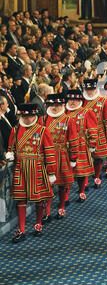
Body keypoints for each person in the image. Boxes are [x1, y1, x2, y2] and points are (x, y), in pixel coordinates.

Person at [6, 103, 57, 242]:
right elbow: (11, 147)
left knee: (39, 198)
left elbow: (50, 152)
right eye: (24, 116)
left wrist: (51, 172)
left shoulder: (42, 130)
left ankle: (38, 224)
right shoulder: (15, 130)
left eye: (30, 116)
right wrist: (10, 154)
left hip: (37, 167)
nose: (27, 118)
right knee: (20, 199)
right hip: (20, 167)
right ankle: (22, 229)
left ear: (35, 115)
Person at [40, 94, 79, 220]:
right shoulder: (42, 120)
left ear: (62, 105)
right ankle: (47, 211)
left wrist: (73, 157)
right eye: (52, 105)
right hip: (46, 157)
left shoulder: (68, 120)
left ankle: (61, 207)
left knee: (63, 184)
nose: (54, 107)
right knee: (47, 185)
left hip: (62, 155)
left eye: (57, 105)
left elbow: (73, 140)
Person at [82, 78, 107, 188]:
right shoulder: (81, 101)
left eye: (92, 89)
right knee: (84, 158)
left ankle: (97, 176)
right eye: (88, 89)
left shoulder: (103, 101)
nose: (89, 91)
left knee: (98, 157)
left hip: (99, 132)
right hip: (83, 134)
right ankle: (85, 180)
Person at [65, 89, 97, 203]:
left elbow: (93, 129)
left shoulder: (86, 112)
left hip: (81, 145)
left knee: (81, 172)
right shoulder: (64, 112)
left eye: (75, 99)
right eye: (70, 99)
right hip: (66, 147)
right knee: (66, 173)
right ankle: (66, 196)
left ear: (80, 100)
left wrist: (92, 144)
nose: (72, 102)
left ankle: (82, 191)